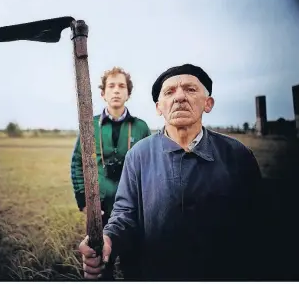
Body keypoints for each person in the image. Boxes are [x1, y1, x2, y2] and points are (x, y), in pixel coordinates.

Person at [79, 63, 264, 280]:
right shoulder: (138, 155)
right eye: (169, 92)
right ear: (159, 107)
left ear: (208, 103)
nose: (179, 97)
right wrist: (108, 239)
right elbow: (125, 214)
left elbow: (258, 225)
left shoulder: (238, 155)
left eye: (191, 89)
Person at [70, 66, 152, 274]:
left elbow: (150, 167)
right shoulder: (90, 125)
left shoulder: (141, 127)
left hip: (133, 210)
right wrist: (84, 202)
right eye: (111, 86)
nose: (116, 90)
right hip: (100, 209)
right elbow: (77, 162)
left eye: (122, 86)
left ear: (128, 93)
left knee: (134, 264)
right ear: (103, 93)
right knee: (101, 264)